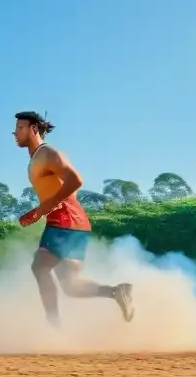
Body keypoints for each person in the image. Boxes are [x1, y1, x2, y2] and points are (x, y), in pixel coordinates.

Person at [13, 112, 134, 327]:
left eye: (20, 128)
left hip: (65, 219)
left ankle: (54, 327)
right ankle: (116, 292)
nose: (15, 133)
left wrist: (43, 209)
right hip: (71, 221)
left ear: (34, 129)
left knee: (39, 267)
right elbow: (59, 189)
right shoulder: (36, 159)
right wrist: (40, 210)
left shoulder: (47, 153)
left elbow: (75, 180)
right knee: (71, 286)